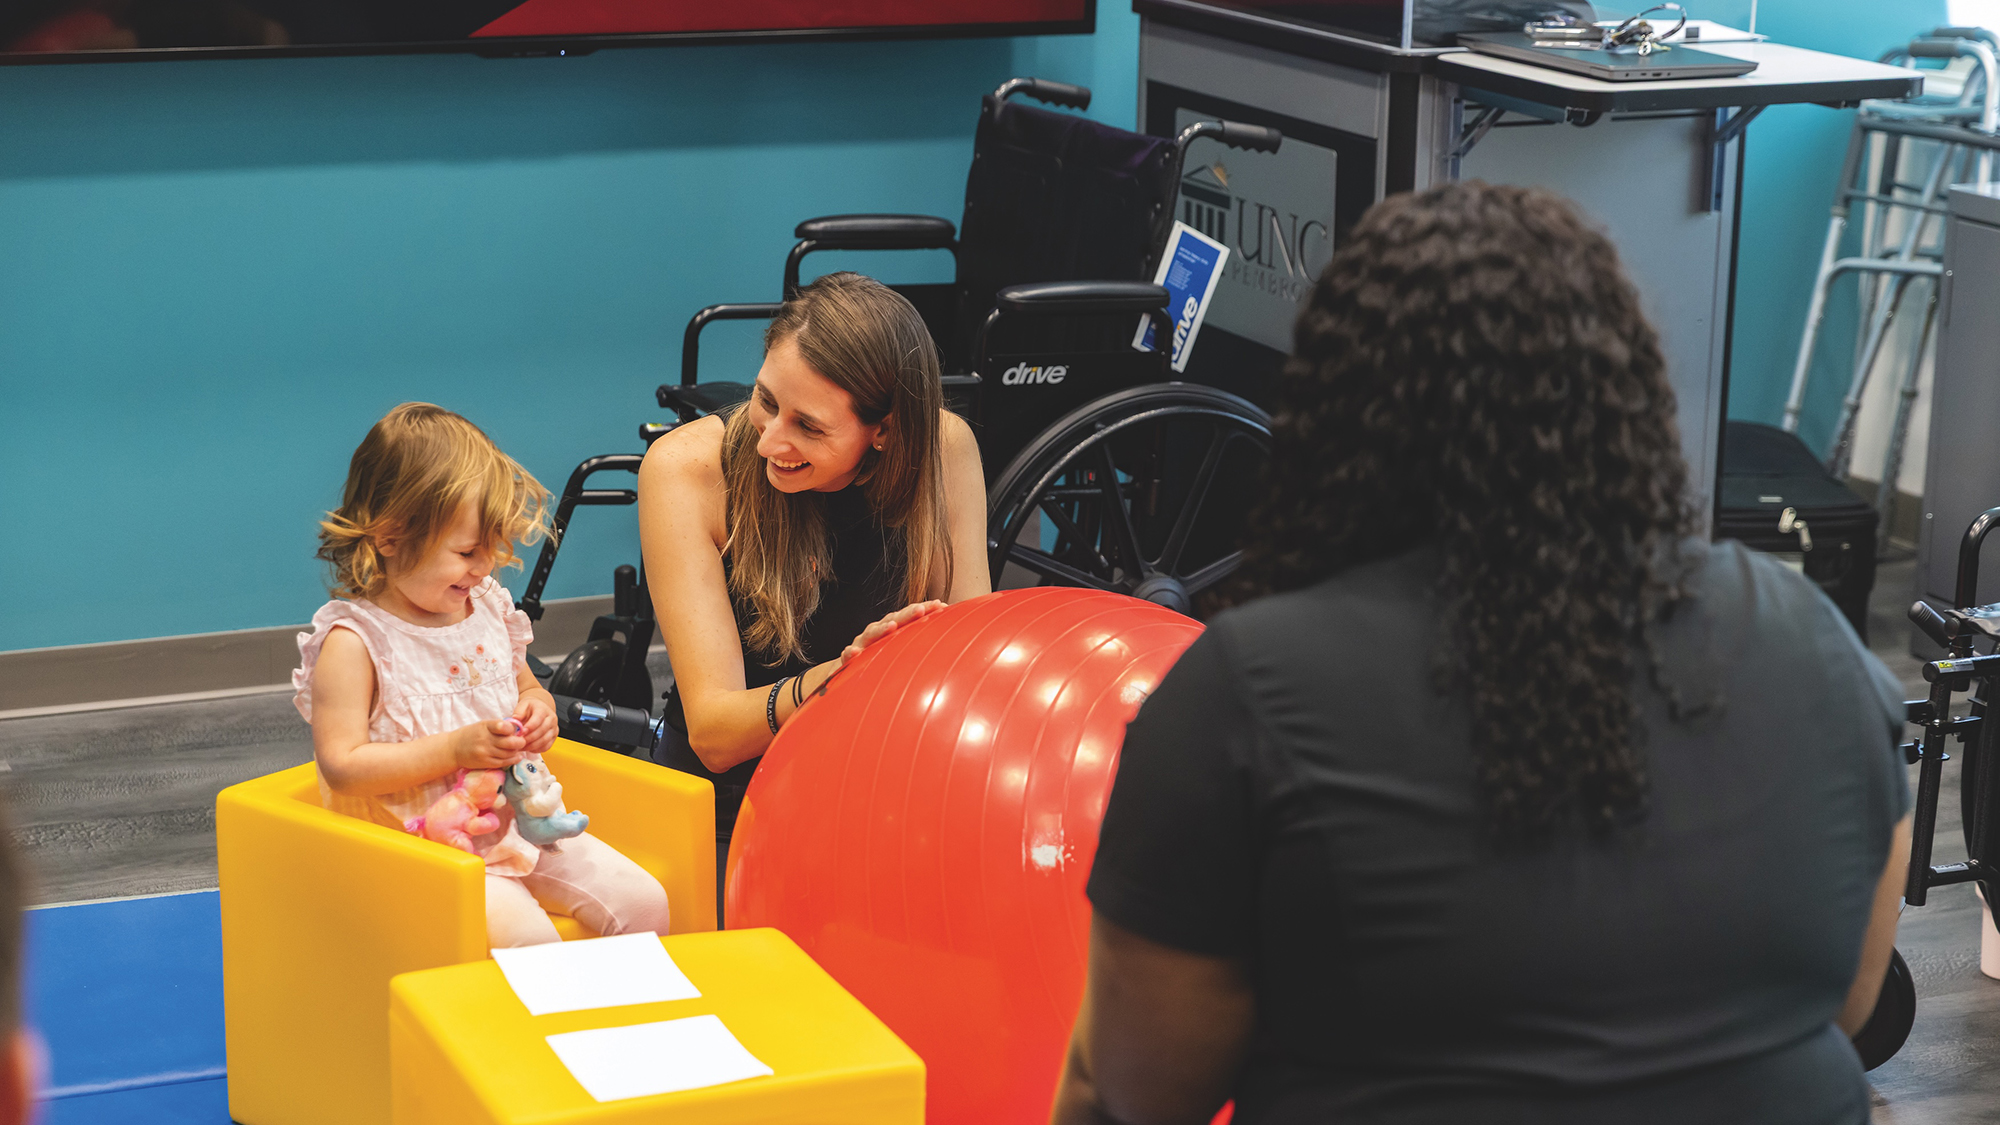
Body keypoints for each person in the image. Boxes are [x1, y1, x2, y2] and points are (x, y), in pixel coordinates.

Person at [1052, 182, 1912, 1125]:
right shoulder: (1818, 642)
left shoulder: (1246, 689)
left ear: (1341, 422)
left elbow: (1137, 1088)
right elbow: (1854, 1001)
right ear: (1626, 402)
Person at [638, 271, 990, 892]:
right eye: (766, 399)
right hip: (733, 808)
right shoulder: (684, 471)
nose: (770, 440)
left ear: (883, 431)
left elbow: (973, 667)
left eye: (810, 426)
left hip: (879, 792)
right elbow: (715, 735)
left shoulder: (945, 448)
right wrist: (843, 679)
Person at [295, 402, 671, 948]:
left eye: (493, 548)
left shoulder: (486, 608)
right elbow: (343, 767)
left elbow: (524, 686)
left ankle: (621, 1026)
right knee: (530, 941)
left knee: (645, 902)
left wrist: (540, 711)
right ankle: (541, 1034)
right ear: (390, 536)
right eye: (468, 550)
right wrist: (455, 750)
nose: (485, 566)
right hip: (420, 849)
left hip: (517, 821)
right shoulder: (355, 643)